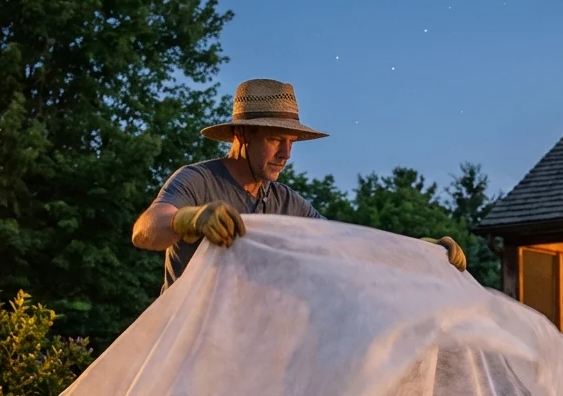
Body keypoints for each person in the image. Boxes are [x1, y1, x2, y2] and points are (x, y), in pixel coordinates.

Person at [132, 78, 466, 293]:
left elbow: (349, 246)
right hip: (181, 352)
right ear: (242, 135)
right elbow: (145, 231)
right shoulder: (197, 180)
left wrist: (422, 252)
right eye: (276, 139)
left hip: (243, 355)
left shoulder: (287, 204)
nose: (287, 154)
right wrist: (188, 219)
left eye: (292, 142)